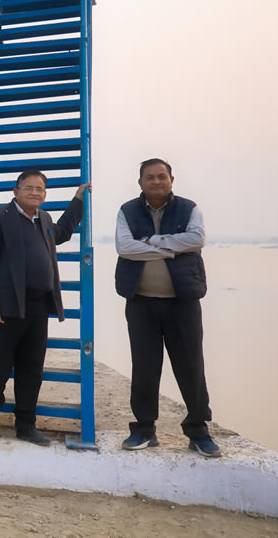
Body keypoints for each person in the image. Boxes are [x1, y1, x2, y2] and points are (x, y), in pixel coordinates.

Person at [114, 158, 220, 457]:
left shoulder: (189, 208)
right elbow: (125, 248)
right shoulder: (127, 211)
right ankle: (144, 430)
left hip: (182, 302)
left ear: (172, 179)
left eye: (162, 177)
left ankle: (198, 431)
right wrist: (174, 248)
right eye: (150, 177)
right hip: (141, 303)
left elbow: (198, 238)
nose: (157, 182)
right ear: (140, 183)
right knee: (144, 367)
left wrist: (153, 241)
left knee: (191, 367)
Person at [0, 170, 89, 447]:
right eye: (29, 188)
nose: (35, 193)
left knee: (32, 370)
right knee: (0, 369)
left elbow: (61, 234)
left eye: (40, 189)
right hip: (6, 309)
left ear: (45, 194)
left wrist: (78, 201)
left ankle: (26, 425)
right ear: (16, 191)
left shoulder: (45, 219)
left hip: (39, 308)